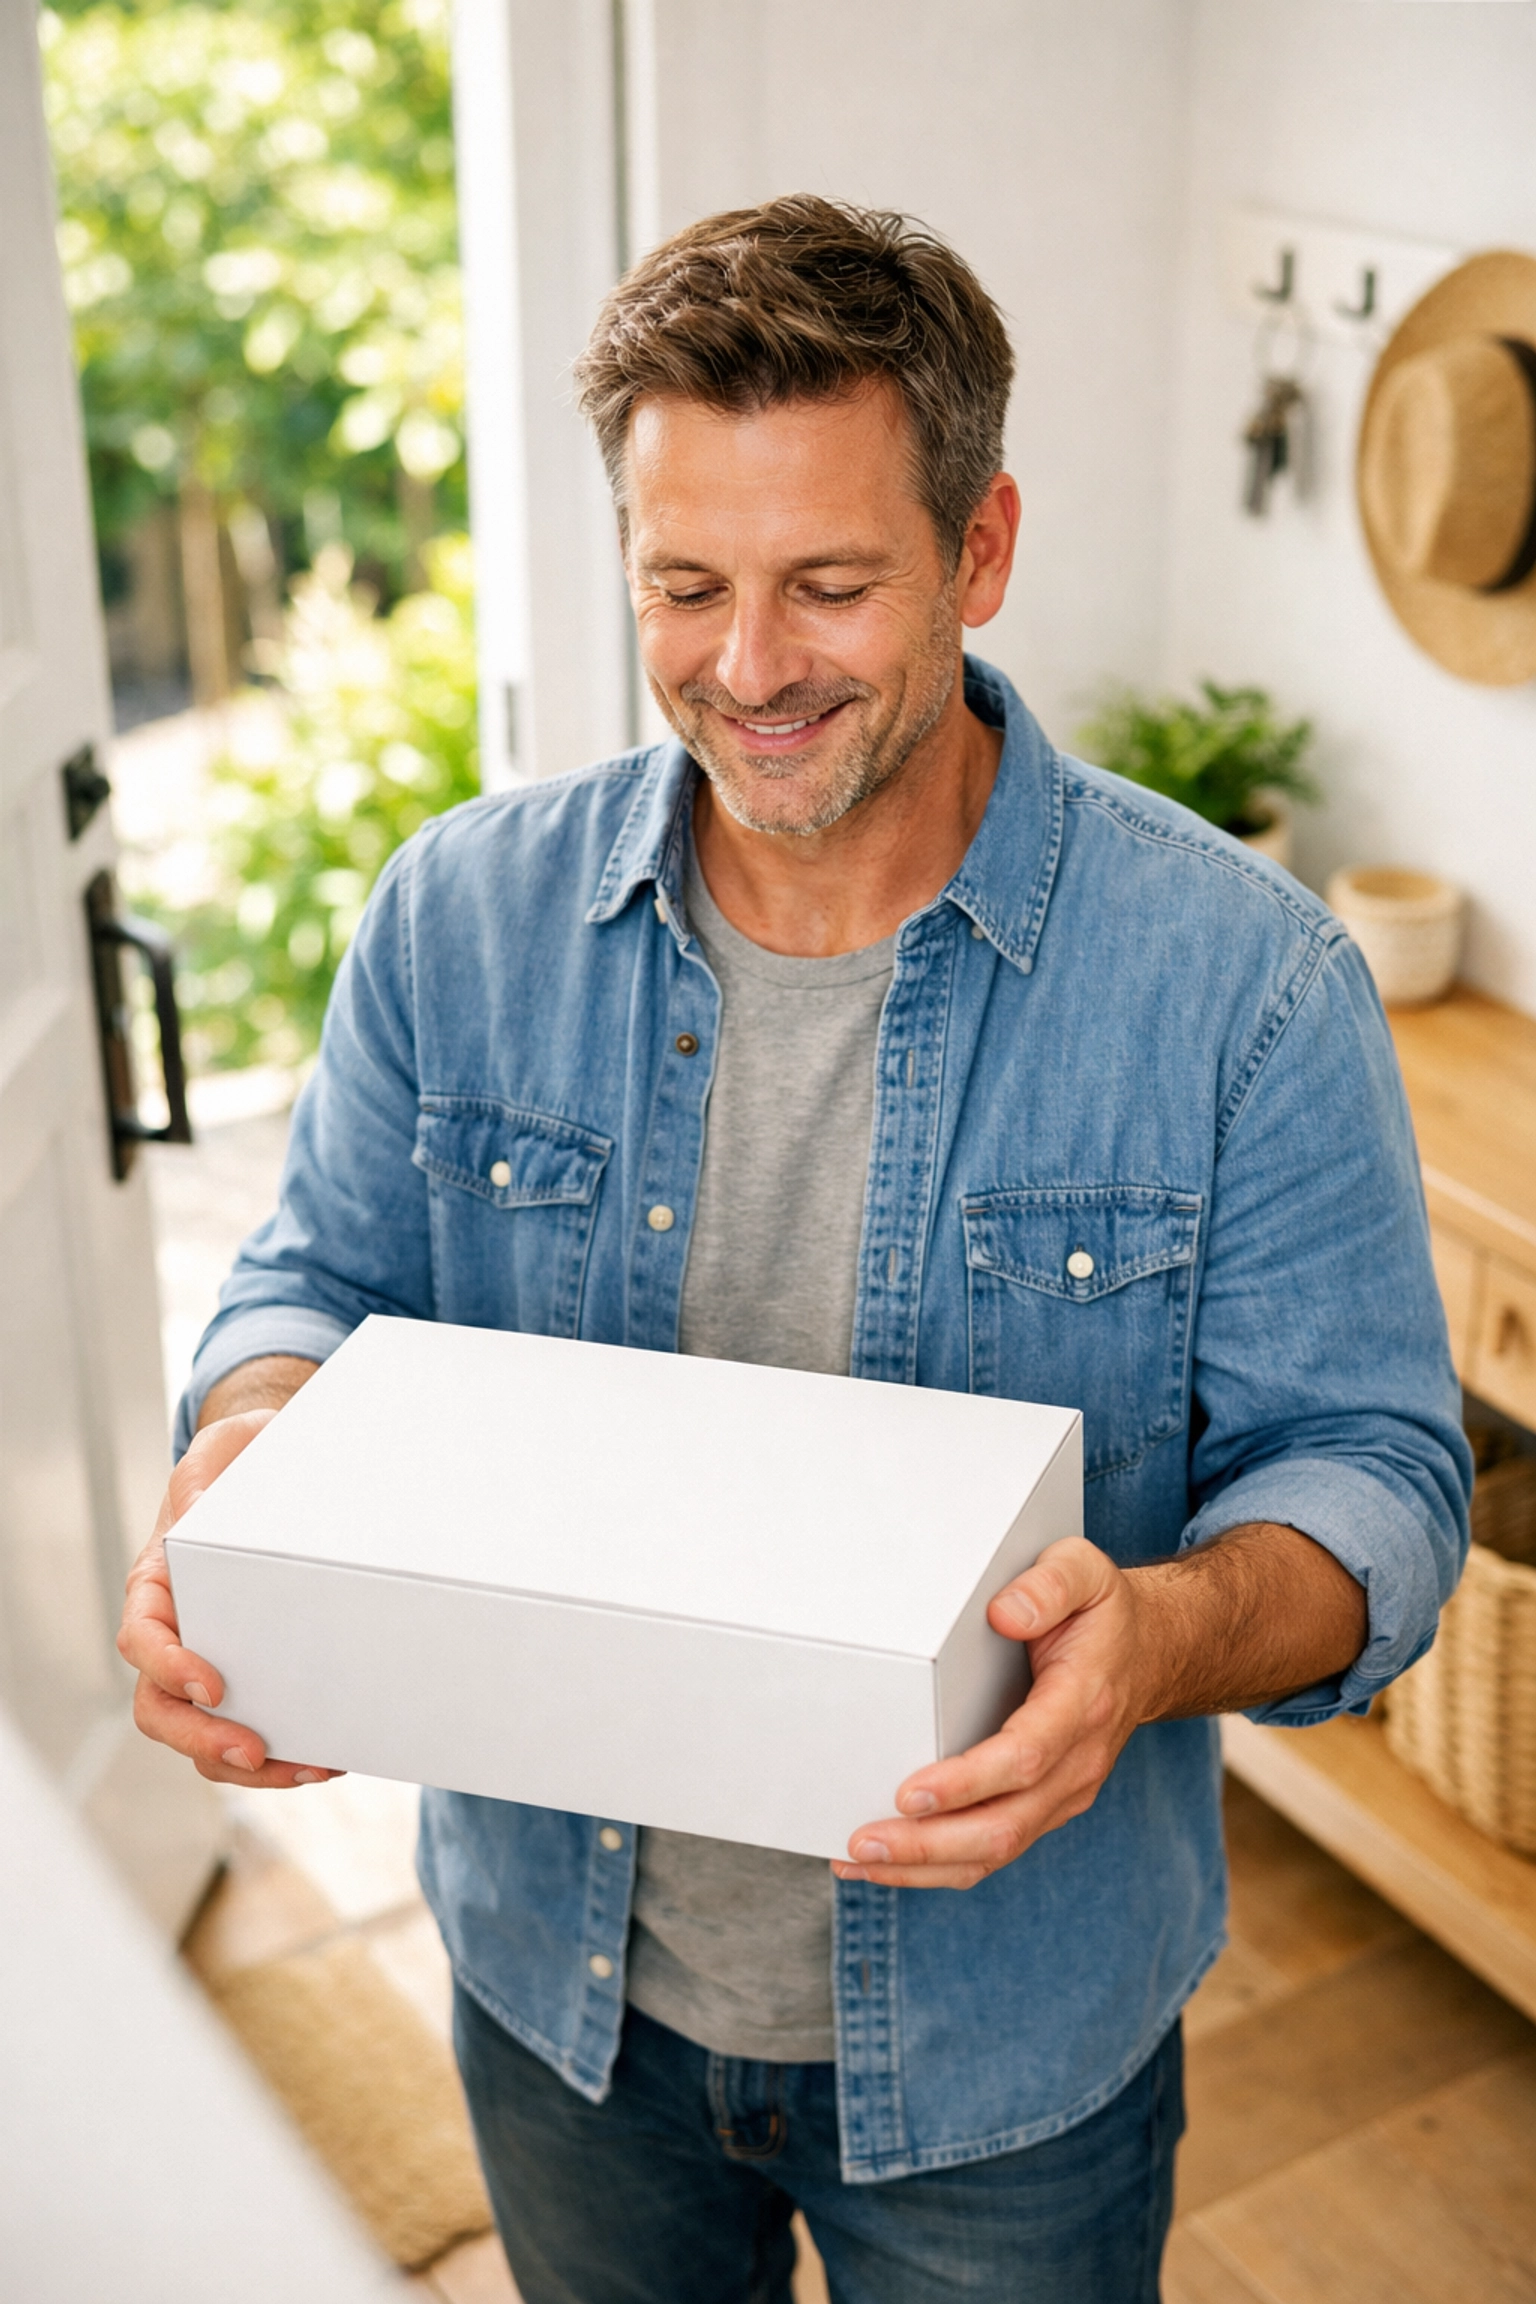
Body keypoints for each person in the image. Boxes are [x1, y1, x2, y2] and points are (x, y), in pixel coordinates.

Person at [119, 196, 1470, 2304]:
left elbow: (1375, 1478)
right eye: (687, 586)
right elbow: (315, 1284)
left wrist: (1155, 1638)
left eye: (831, 586)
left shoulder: (1249, 987)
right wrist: (256, 1442)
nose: (747, 670)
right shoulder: (455, 918)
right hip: (563, 2006)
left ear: (980, 549)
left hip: (1011, 2053)